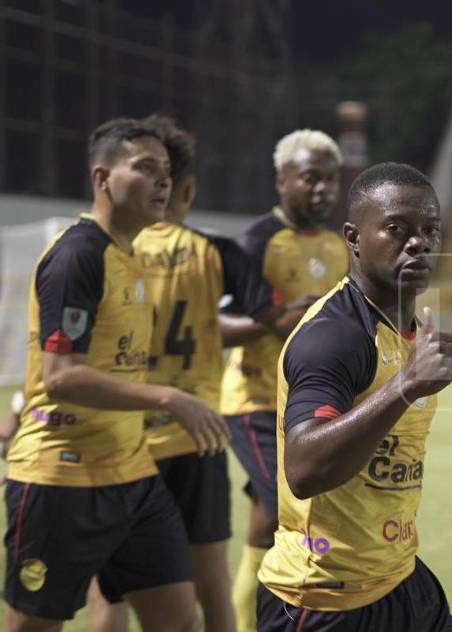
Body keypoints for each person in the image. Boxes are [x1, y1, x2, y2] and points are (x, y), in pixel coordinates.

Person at [4, 118, 229, 631]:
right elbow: (60, 376)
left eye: (166, 170)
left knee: (179, 622)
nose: (162, 180)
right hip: (62, 479)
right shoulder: (77, 255)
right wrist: (168, 397)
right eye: (145, 168)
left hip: (132, 476)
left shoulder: (128, 256)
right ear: (102, 178)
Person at [257, 163, 452, 630]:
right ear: (353, 238)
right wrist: (405, 385)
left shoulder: (404, 329)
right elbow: (304, 469)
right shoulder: (334, 336)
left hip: (398, 577)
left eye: (430, 229)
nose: (419, 242)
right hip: (324, 598)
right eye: (397, 229)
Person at [218, 129, 349, 632]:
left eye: (330, 180)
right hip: (255, 401)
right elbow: (213, 325)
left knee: (270, 518)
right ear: (282, 180)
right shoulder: (255, 243)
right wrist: (273, 320)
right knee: (287, 505)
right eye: (310, 178)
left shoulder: (339, 246)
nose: (322, 189)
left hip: (312, 403)